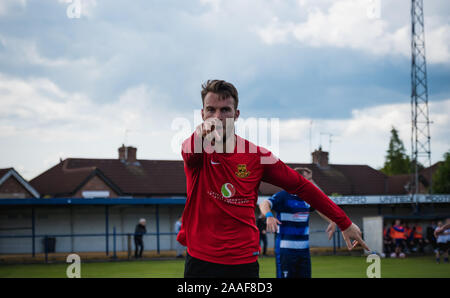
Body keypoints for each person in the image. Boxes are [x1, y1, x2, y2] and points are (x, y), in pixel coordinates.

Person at [177, 79, 369, 278]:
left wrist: (344, 222)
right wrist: (200, 133)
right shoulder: (197, 150)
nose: (217, 117)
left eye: (225, 110)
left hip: (243, 261)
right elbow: (188, 151)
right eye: (211, 110)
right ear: (202, 114)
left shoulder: (257, 156)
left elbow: (302, 186)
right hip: (201, 259)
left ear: (236, 115)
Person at [259, 167, 336, 278]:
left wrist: (332, 220)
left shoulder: (307, 197)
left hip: (304, 252)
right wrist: (269, 216)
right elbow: (264, 203)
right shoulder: (283, 196)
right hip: (286, 252)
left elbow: (322, 203)